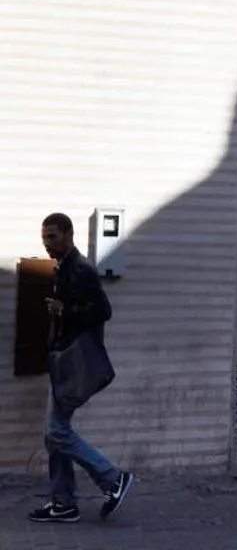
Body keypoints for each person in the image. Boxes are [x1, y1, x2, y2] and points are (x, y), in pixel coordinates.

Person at [29, 214, 133, 526]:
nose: (48, 243)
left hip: (73, 364)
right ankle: (63, 503)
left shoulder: (81, 269)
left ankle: (112, 477)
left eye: (53, 237)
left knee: (57, 432)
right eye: (45, 237)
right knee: (54, 436)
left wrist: (66, 311)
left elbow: (103, 311)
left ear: (69, 234)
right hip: (62, 361)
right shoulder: (64, 266)